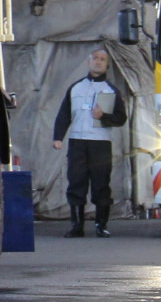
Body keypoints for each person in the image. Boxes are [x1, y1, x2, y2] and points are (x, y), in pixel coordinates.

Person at [52, 48, 129, 238]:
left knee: (101, 183)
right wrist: (58, 137)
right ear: (89, 62)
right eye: (95, 58)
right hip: (78, 141)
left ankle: (101, 225)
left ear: (107, 65)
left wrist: (104, 117)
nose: (98, 62)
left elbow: (121, 118)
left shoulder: (111, 90)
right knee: (76, 182)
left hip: (100, 143)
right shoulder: (76, 88)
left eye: (102, 59)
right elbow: (64, 114)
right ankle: (76, 226)